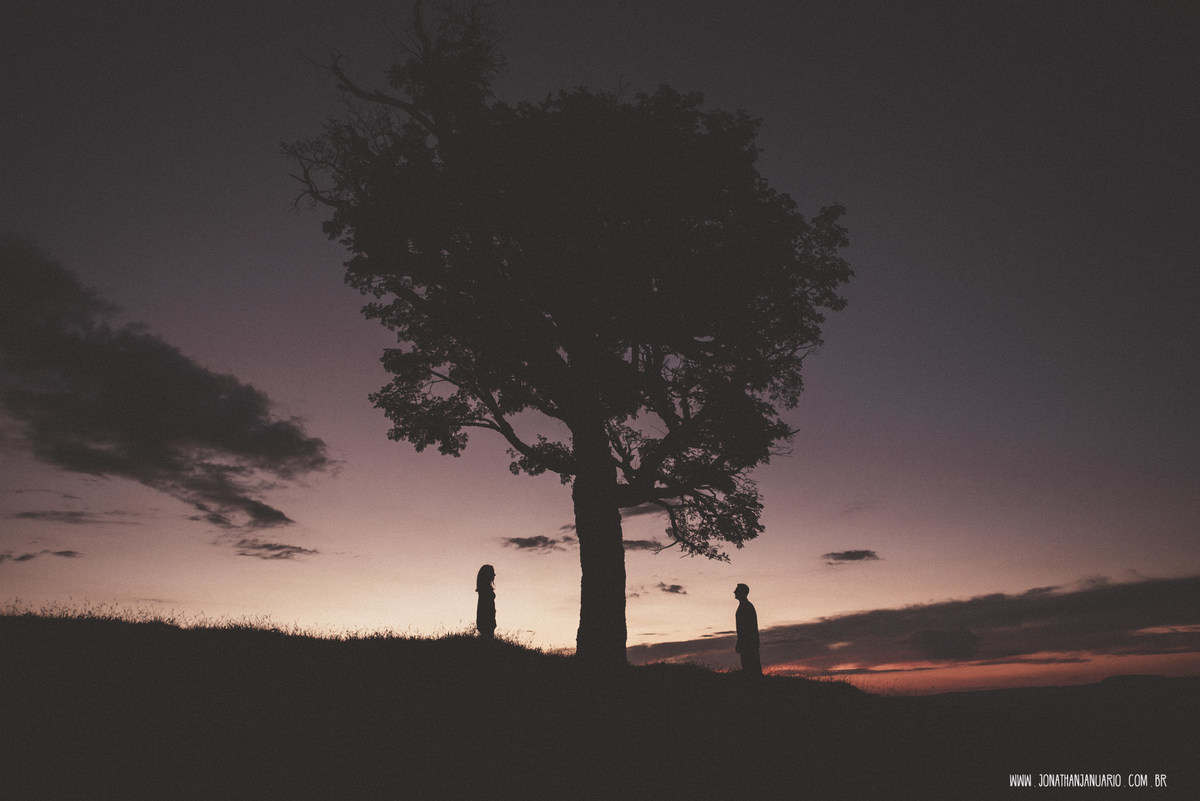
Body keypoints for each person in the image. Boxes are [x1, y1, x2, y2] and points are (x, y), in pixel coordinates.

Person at [734, 583, 761, 676]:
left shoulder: (747, 607)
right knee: (748, 669)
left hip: (749, 644)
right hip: (747, 643)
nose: (734, 592)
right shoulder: (745, 606)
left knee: (752, 670)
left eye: (737, 590)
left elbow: (748, 628)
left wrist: (742, 642)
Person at [476, 564, 496, 639]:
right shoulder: (485, 590)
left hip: (487, 621)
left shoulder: (484, 589)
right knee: (487, 642)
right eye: (492, 573)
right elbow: (485, 608)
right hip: (486, 622)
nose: (494, 575)